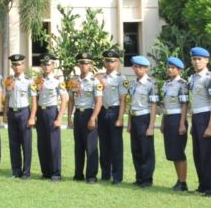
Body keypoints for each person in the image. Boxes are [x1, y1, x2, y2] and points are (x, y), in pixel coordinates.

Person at [187, 47, 211, 197]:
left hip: (207, 116)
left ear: (207, 60)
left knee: (208, 154)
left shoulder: (210, 79)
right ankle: (202, 184)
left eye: (199, 59)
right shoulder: (193, 78)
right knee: (198, 154)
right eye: (194, 59)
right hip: (196, 117)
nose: (196, 61)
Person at [67, 53, 103, 183]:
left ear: (91, 65)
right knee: (79, 146)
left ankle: (91, 176)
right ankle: (78, 174)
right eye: (81, 63)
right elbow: (71, 100)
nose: (83, 66)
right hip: (78, 114)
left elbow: (99, 101)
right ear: (78, 65)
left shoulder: (95, 81)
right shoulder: (74, 81)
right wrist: (69, 117)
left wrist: (93, 118)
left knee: (91, 146)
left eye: (86, 63)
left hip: (89, 113)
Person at [126, 55, 158, 188]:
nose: (137, 69)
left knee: (146, 150)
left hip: (144, 118)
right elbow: (130, 104)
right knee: (136, 149)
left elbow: (154, 106)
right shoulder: (133, 83)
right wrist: (128, 123)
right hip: (134, 117)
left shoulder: (151, 84)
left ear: (146, 69)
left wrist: (151, 126)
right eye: (135, 66)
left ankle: (147, 179)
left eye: (140, 67)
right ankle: (139, 177)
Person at [96, 48, 127, 184]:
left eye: (112, 61)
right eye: (107, 61)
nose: (109, 63)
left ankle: (117, 176)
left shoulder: (121, 79)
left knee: (116, 146)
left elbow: (123, 100)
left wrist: (120, 118)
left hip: (114, 112)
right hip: (102, 111)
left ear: (117, 62)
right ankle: (105, 174)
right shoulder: (99, 78)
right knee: (103, 145)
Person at [34, 55, 67, 181]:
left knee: (54, 144)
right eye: (44, 64)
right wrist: (35, 115)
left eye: (49, 64)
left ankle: (55, 173)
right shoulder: (38, 80)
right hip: (41, 113)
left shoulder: (58, 81)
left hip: (52, 111)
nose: (46, 66)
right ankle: (45, 171)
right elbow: (35, 98)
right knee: (42, 143)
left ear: (53, 66)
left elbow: (64, 99)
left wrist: (59, 118)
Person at [3, 54, 36, 179]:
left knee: (26, 143)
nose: (16, 67)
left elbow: (34, 100)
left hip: (24, 113)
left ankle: (26, 172)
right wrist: (5, 112)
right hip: (12, 112)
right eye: (14, 65)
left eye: (19, 64)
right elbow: (7, 97)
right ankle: (15, 171)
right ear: (11, 66)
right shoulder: (9, 80)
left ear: (23, 65)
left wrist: (32, 117)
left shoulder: (29, 80)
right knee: (14, 143)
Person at [160, 57, 189, 191]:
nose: (170, 70)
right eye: (169, 67)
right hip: (169, 118)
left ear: (179, 70)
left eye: (173, 68)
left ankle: (183, 182)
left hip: (178, 118)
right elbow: (165, 105)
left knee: (179, 151)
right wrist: (162, 122)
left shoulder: (182, 84)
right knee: (172, 152)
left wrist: (182, 123)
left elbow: (184, 104)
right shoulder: (166, 84)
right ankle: (179, 180)